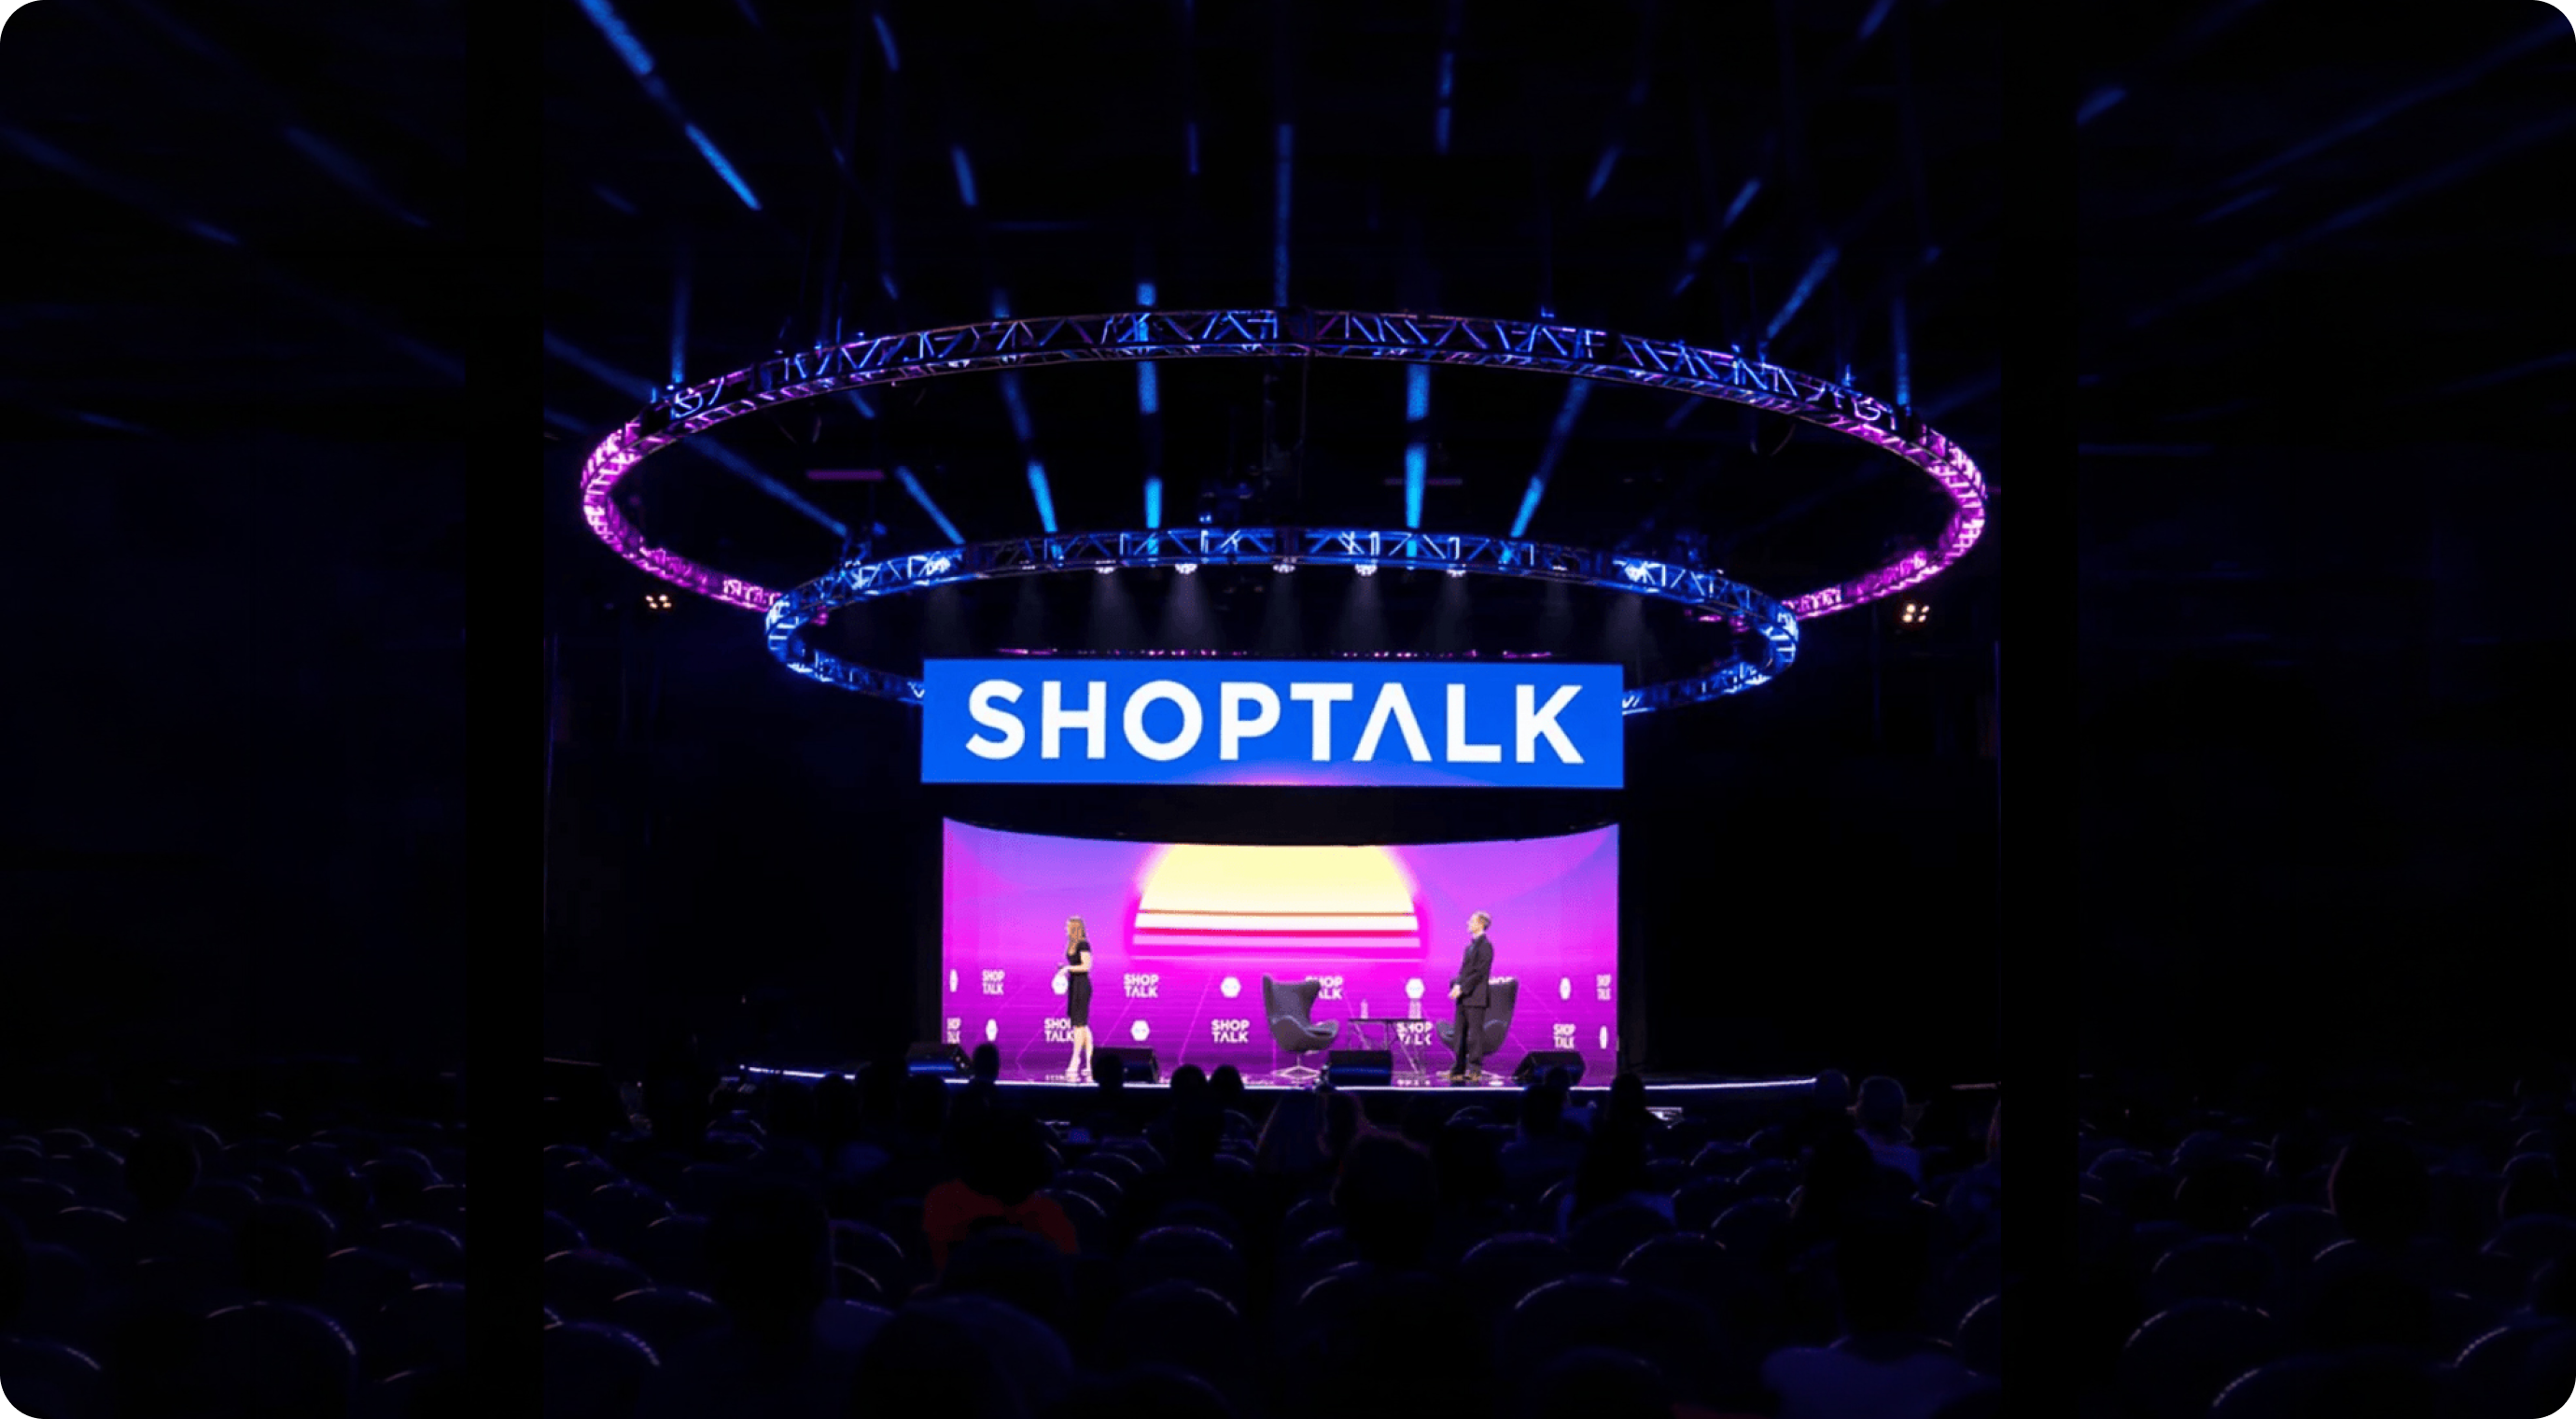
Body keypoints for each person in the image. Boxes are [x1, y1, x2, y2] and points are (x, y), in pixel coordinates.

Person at [1447, 911, 1496, 1083]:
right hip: (1464, 996)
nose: (1468, 923)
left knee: (1475, 1035)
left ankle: (1475, 1069)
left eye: (1472, 921)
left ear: (1481, 923)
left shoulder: (1486, 946)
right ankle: (1458, 1068)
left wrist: (1463, 987)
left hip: (1476, 997)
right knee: (1459, 1033)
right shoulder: (1470, 946)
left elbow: (1479, 973)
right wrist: (1457, 985)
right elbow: (1464, 970)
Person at [1061, 916, 1096, 1082]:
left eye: (1068, 926)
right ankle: (1090, 1062)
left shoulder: (1083, 944)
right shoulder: (1071, 944)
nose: (1065, 929)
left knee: (1079, 1025)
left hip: (1082, 986)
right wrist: (1065, 969)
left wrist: (1068, 968)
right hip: (1074, 986)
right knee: (1082, 1025)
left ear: (1075, 928)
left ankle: (1075, 1059)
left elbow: (1086, 966)